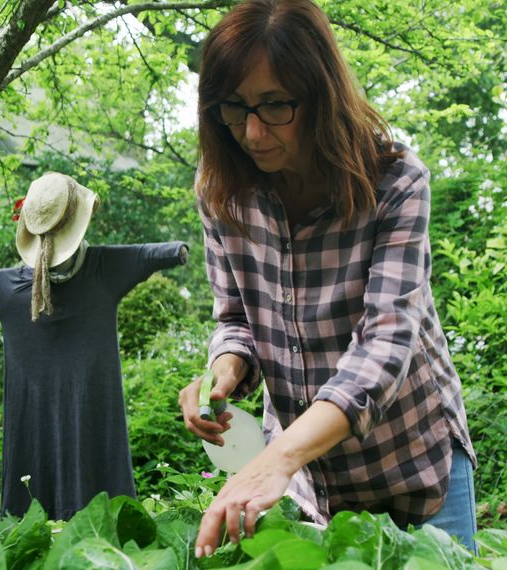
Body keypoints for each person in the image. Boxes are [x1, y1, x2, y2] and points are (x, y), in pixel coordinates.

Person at [178, 0, 478, 557]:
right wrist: (223, 372)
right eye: (233, 107)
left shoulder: (395, 183)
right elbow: (237, 318)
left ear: (320, 97)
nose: (251, 131)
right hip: (309, 485)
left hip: (413, 461)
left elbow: (384, 347)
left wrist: (274, 459)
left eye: (274, 106)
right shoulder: (221, 192)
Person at [0, 172, 188, 521]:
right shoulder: (103, 271)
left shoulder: (8, 289)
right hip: (94, 422)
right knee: (106, 519)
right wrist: (177, 252)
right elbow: (149, 254)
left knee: (29, 524)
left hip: (34, 433)